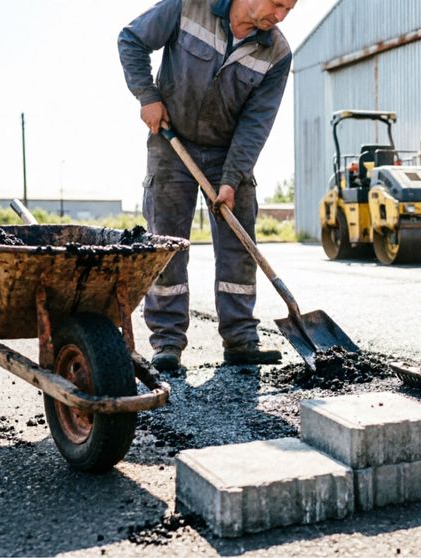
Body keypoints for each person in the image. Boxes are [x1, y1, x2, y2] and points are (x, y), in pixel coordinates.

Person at [118, 0, 297, 371]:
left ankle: (240, 338)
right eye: (278, 4)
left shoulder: (276, 52)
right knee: (167, 246)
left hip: (228, 153)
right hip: (172, 143)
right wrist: (147, 96)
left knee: (239, 245)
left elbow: (256, 123)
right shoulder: (190, 6)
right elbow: (131, 39)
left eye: (288, 10)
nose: (280, 17)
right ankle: (167, 344)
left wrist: (232, 178)